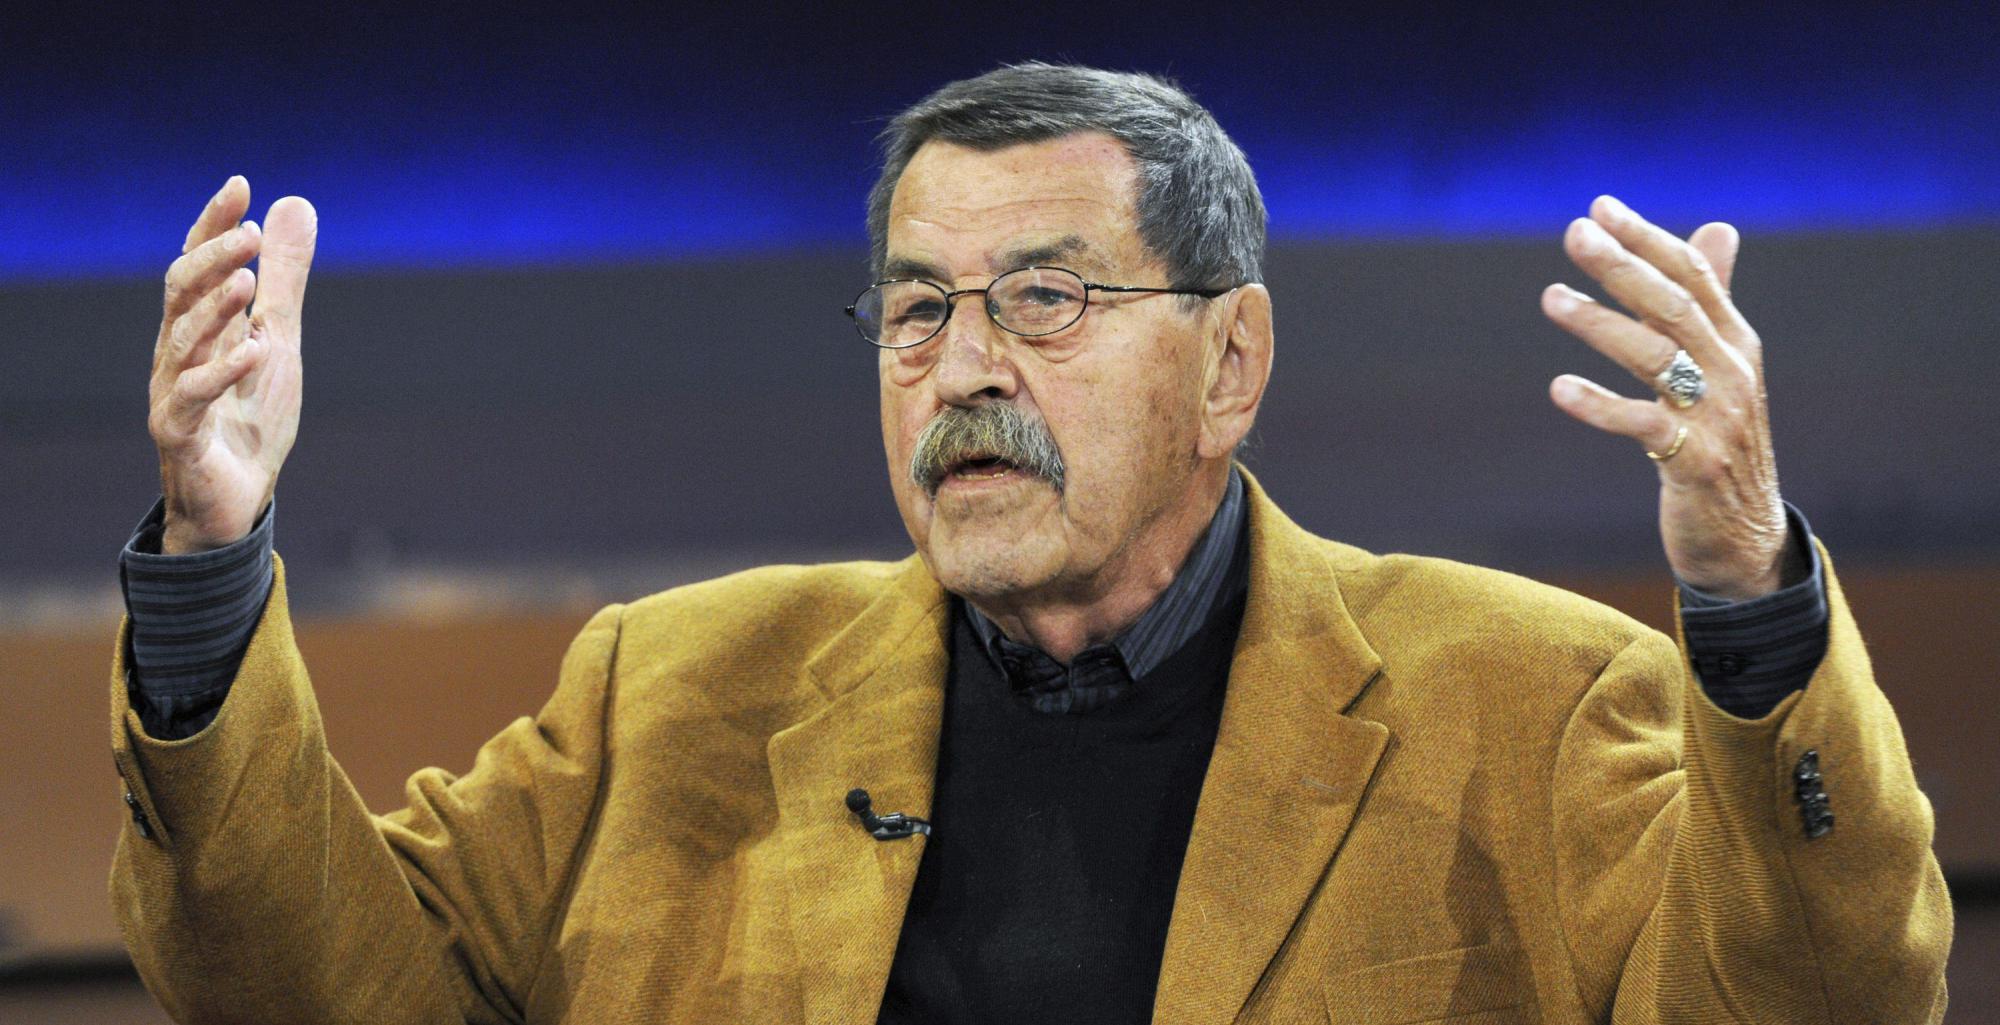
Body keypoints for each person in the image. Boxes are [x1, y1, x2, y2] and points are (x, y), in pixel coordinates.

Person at [110, 64, 1949, 1024]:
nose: (965, 366)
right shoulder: (659, 697)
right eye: (918, 309)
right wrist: (213, 546)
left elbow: (1833, 1001)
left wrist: (1745, 587)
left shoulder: (1536, 707)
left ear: (1232, 364)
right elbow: (298, 979)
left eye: (1046, 299)